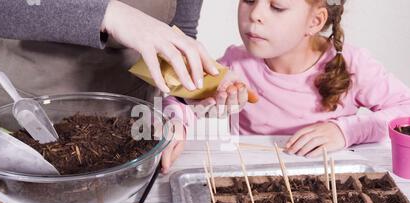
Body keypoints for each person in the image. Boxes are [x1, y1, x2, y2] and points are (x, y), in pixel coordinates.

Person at [162, 0, 410, 173]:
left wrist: (346, 131)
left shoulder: (352, 64)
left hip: (331, 184)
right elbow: (179, 98)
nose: (255, 14)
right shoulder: (235, 64)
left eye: (277, 6)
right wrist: (176, 123)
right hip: (254, 184)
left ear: (315, 21)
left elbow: (405, 111)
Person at [0, 0, 218, 119]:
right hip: (8, 117)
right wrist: (106, 14)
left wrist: (189, 90)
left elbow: (176, 35)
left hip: (127, 123)